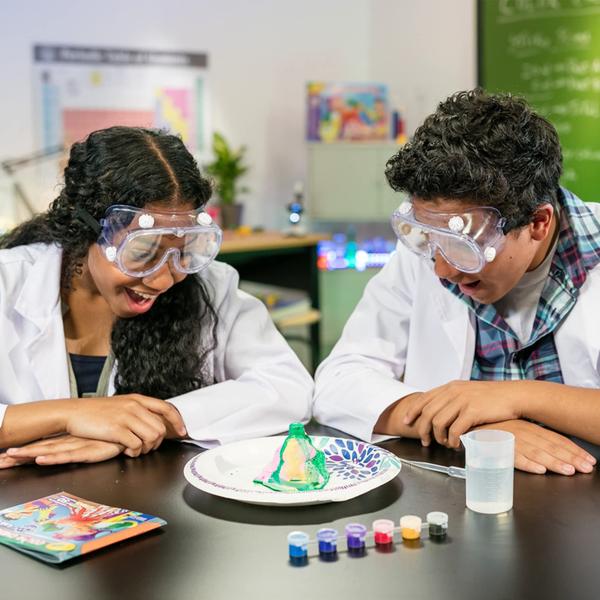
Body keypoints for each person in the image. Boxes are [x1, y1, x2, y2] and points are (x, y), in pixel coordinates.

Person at [314, 89, 600, 475]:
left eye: (463, 246)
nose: (442, 271)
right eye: (428, 239)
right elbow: (339, 381)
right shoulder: (427, 253)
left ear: (538, 223)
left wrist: (516, 399)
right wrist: (474, 423)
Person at [0, 126, 312, 468]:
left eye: (184, 250)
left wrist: (153, 422)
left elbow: (289, 387)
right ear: (85, 228)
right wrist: (72, 415)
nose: (164, 278)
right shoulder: (8, 281)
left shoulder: (209, 285)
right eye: (143, 250)